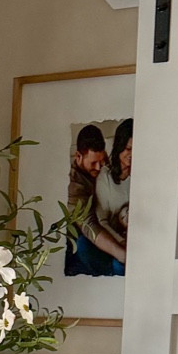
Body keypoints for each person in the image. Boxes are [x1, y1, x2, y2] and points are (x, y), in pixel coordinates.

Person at [64, 124, 114, 276]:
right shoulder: (74, 186)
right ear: (78, 157)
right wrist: (123, 255)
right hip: (83, 245)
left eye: (102, 161)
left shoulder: (103, 167)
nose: (99, 167)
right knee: (82, 245)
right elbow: (89, 226)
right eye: (93, 163)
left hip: (107, 229)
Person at [89, 118, 132, 274]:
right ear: (119, 147)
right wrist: (121, 242)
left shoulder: (143, 177)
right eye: (128, 148)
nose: (131, 155)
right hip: (113, 239)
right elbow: (101, 221)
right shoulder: (105, 177)